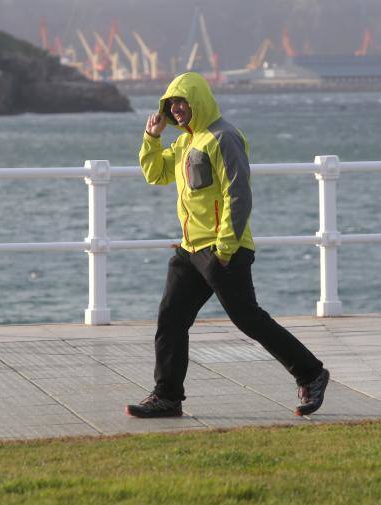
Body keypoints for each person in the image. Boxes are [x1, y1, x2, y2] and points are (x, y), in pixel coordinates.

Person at [126, 72, 329, 419]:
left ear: (197, 100)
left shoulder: (224, 137)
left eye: (180, 102)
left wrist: (224, 248)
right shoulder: (186, 142)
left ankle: (311, 373)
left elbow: (239, 194)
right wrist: (151, 137)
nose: (175, 109)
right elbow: (155, 174)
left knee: (248, 319)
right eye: (170, 104)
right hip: (190, 250)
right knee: (170, 320)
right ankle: (167, 397)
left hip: (224, 249)